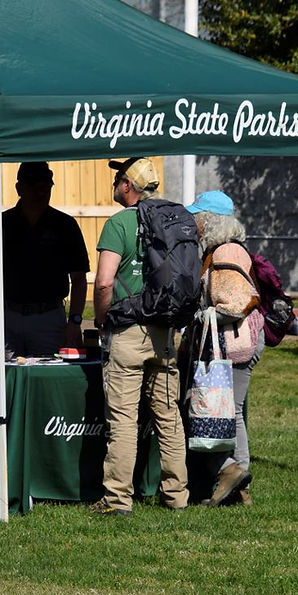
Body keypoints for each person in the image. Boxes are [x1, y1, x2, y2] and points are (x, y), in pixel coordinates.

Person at [90, 157, 188, 516]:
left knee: (124, 420)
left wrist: (102, 320)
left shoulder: (118, 223)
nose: (115, 183)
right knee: (168, 416)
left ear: (128, 186)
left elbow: (103, 282)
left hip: (127, 331)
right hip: (164, 332)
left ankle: (118, 500)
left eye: (118, 178)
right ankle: (177, 496)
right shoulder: (174, 218)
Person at [183, 191, 263, 507]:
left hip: (236, 344)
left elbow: (237, 303)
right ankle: (239, 487)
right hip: (237, 342)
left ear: (211, 221)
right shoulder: (227, 250)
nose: (194, 226)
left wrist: (205, 314)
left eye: (198, 219)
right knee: (232, 411)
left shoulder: (225, 254)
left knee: (231, 412)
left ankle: (234, 471)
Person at [0, 162, 90, 357]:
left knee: (47, 381)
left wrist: (75, 322)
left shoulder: (66, 225)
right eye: (34, 186)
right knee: (5, 381)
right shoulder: (1, 224)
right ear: (19, 188)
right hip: (7, 317)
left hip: (50, 318)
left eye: (46, 187)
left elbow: (79, 279)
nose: (40, 193)